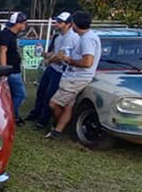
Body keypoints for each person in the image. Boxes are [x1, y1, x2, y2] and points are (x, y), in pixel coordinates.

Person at [46, 11, 100, 140]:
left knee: (54, 104)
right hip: (72, 77)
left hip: (77, 78)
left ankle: (60, 126)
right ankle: (58, 131)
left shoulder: (87, 39)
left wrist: (69, 60)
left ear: (74, 24)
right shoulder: (84, 37)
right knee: (68, 106)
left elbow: (88, 62)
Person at [27, 12, 78, 129]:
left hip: (60, 71)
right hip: (52, 69)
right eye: (57, 21)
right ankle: (36, 114)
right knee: (41, 91)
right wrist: (46, 54)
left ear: (68, 24)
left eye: (60, 22)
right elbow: (56, 53)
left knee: (49, 96)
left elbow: (61, 56)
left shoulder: (71, 38)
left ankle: (42, 122)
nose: (57, 24)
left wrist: (49, 60)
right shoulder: (59, 36)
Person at [0, 11, 28, 124]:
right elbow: (2, 50)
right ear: (18, 24)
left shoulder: (10, 34)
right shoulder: (6, 35)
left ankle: (15, 116)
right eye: (24, 23)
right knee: (20, 95)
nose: (25, 25)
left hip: (12, 70)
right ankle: (10, 115)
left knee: (13, 95)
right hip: (11, 71)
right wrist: (4, 69)